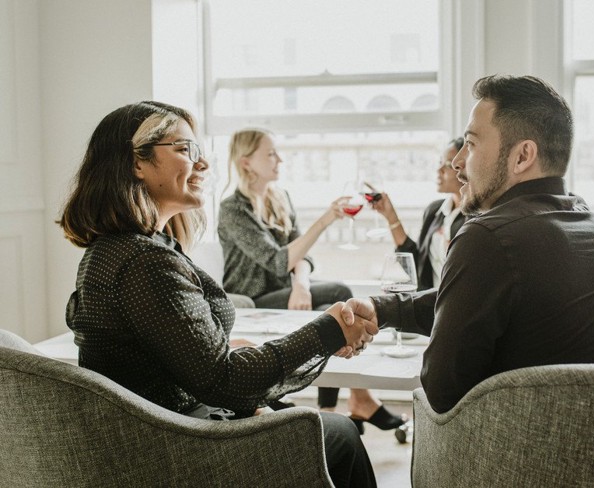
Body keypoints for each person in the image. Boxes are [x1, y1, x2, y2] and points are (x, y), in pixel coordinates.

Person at [58, 101, 377, 488]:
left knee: (296, 414)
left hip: (155, 431)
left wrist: (222, 346)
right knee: (340, 433)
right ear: (136, 164)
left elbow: (162, 356)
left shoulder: (121, 248)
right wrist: (327, 331)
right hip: (173, 449)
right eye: (185, 149)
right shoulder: (145, 263)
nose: (205, 164)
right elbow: (227, 382)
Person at [341, 75, 594, 414]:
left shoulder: (486, 237)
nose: (457, 162)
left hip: (523, 457)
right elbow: (475, 299)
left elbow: (441, 391)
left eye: (470, 145)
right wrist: (384, 309)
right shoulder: (593, 226)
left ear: (522, 156)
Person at [217, 128, 407, 433]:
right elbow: (278, 260)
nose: (279, 159)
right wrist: (327, 218)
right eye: (270, 154)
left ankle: (341, 403)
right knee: (337, 300)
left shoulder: (280, 198)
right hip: (252, 295)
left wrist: (301, 284)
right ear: (246, 163)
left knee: (340, 295)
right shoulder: (232, 210)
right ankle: (348, 402)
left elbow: (301, 257)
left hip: (286, 288)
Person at [370, 137, 466, 290]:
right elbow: (417, 266)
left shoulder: (477, 217)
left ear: (466, 168)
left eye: (447, 165)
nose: (438, 170)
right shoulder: (435, 211)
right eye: (439, 162)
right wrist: (390, 216)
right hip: (429, 304)